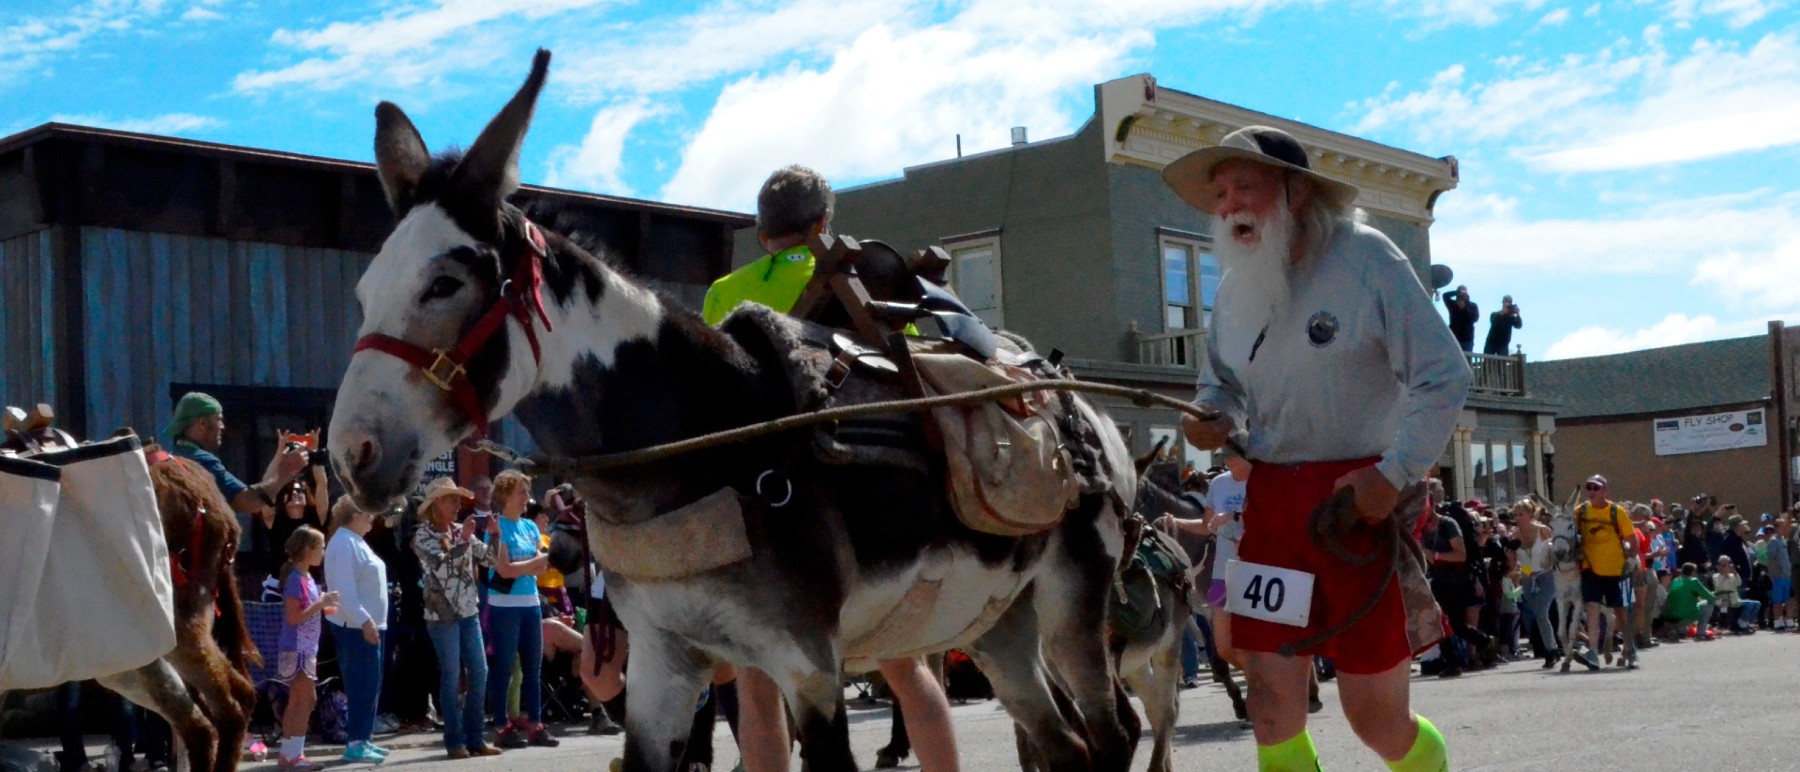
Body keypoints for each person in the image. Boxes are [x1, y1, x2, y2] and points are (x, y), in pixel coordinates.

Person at [1165, 124, 1471, 771]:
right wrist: (1208, 417)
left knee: (1375, 718)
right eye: (1220, 193)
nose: (1227, 205)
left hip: (1356, 508)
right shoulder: (1233, 289)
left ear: (1296, 190)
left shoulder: (1368, 258)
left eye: (1244, 186)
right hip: (1271, 507)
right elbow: (1216, 385)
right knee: (1272, 711)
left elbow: (1445, 374)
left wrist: (1393, 475)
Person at [702, 165, 961, 772]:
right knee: (908, 668)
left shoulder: (723, 292)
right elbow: (913, 368)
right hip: (861, 498)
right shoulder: (865, 277)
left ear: (763, 232)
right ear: (822, 223)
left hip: (763, 510)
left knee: (759, 690)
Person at [411, 477, 504, 759]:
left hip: (468, 612)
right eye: (451, 499)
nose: (457, 504)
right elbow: (442, 565)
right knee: (451, 676)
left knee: (480, 671)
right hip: (442, 617)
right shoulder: (423, 535)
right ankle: (454, 741)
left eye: (457, 500)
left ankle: (475, 738)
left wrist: (495, 535)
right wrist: (464, 540)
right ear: (435, 504)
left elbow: (488, 560)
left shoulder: (458, 530)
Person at [485, 470, 560, 749]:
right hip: (503, 607)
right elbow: (502, 569)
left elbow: (545, 562)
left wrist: (523, 567)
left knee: (533, 668)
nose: (527, 498)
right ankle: (502, 726)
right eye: (522, 493)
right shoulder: (496, 527)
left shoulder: (529, 527)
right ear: (505, 496)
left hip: (530, 604)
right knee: (504, 667)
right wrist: (529, 565)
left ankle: (535, 725)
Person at [165, 391, 309, 518]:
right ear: (202, 423)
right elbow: (248, 501)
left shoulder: (172, 459)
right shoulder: (202, 460)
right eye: (218, 419)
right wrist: (285, 472)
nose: (223, 426)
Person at [324, 496, 392, 764]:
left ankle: (364, 739)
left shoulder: (356, 541)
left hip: (371, 624)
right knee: (360, 684)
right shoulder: (343, 543)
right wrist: (364, 621)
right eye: (367, 514)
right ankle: (355, 743)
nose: (371, 518)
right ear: (353, 515)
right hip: (355, 627)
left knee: (371, 684)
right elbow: (344, 591)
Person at [277, 527, 337, 772]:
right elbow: (293, 617)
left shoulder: (306, 578)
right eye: (320, 547)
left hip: (306, 647)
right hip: (298, 648)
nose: (323, 552)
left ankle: (289, 753)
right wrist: (320, 604)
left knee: (300, 700)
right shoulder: (296, 580)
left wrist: (321, 604)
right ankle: (294, 755)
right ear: (307, 550)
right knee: (303, 700)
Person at [1572, 476, 1635, 670]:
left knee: (1621, 612)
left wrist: (1632, 560)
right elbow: (1571, 534)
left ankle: (1630, 649)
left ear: (1605, 490)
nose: (1592, 491)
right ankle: (1592, 652)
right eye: (1589, 487)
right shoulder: (1580, 511)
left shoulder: (1617, 512)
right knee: (1592, 609)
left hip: (1615, 570)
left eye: (1596, 488)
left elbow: (1632, 540)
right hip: (1590, 568)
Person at [1661, 563, 1717, 640]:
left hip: (1670, 615)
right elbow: (1710, 597)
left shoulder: (1675, 580)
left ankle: (1677, 630)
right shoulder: (1693, 581)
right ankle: (1700, 633)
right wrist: (1714, 595)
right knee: (1709, 604)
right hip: (1686, 614)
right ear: (1693, 572)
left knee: (1689, 607)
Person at [1712, 556, 1761, 634]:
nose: (1724, 567)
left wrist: (1734, 572)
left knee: (1756, 604)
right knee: (1723, 607)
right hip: (1723, 599)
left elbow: (1739, 583)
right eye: (1722, 565)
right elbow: (1719, 587)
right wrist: (1724, 576)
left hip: (1735, 599)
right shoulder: (1715, 577)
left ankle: (1745, 622)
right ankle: (1730, 624)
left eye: (1726, 565)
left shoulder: (1733, 576)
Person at [1774, 518, 1795, 631]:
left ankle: (1789, 621)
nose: (1785, 528)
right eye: (1782, 526)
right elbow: (1771, 558)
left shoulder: (1783, 540)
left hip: (1787, 574)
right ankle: (1778, 622)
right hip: (1779, 575)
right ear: (1777, 527)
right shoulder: (1773, 540)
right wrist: (1775, 573)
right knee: (1777, 600)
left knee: (1788, 599)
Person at [1442, 285, 1478, 353]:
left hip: (1467, 339)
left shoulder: (1472, 305)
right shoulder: (1452, 304)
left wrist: (1464, 308)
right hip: (1453, 337)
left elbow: (1475, 318)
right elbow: (1445, 296)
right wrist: (1457, 292)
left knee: (1466, 359)